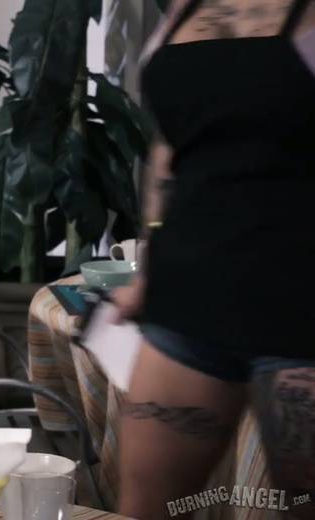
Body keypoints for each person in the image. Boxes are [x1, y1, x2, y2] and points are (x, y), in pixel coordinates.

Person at [113, 0, 315, 518]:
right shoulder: (184, 9)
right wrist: (148, 269)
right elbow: (171, 150)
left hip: (301, 310)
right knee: (145, 509)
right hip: (187, 303)